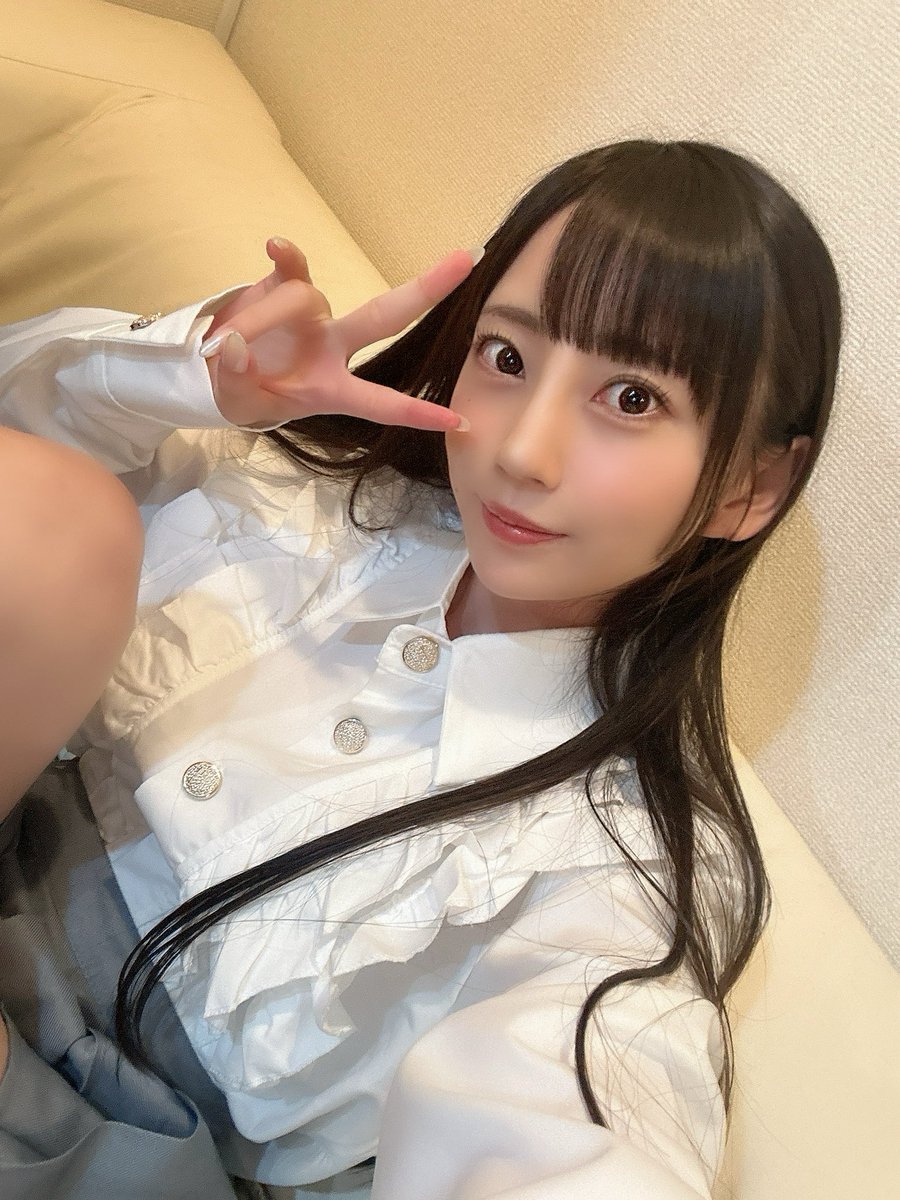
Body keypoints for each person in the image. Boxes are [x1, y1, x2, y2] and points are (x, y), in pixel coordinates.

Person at [0, 139, 841, 1200]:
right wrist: (197, 377)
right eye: (508, 357)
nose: (522, 451)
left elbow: (590, 1114)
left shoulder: (623, 862)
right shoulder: (311, 494)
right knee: (58, 516)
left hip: (80, 1135)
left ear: (749, 488)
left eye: (631, 399)